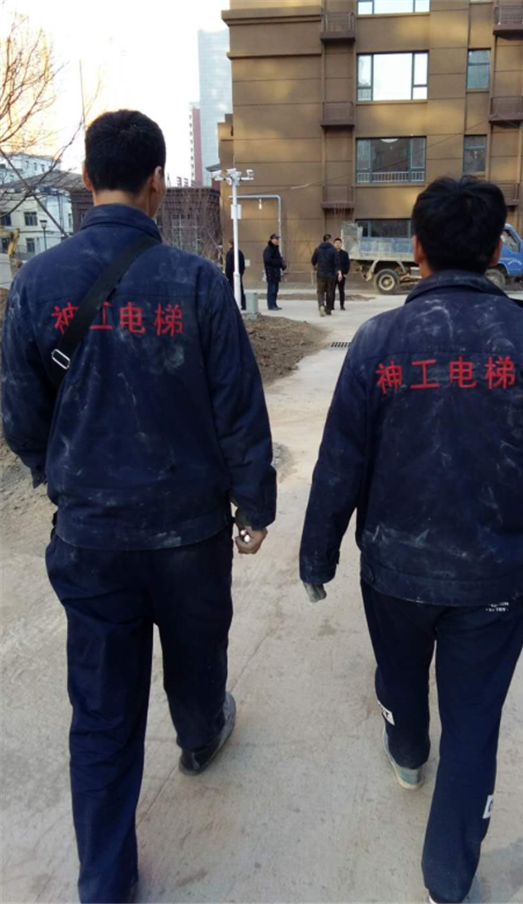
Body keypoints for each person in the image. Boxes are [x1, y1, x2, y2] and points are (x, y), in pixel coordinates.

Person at [1, 110, 277, 904]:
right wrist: (252, 505)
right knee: (198, 653)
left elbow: (20, 414)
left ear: (88, 180)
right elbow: (239, 409)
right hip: (190, 534)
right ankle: (199, 736)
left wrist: (59, 480)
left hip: (91, 538)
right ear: (158, 182)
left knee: (101, 709)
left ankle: (105, 881)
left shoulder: (36, 283)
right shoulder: (196, 283)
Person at [300, 177, 523, 904]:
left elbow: (340, 463)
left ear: (417, 249)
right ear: (495, 250)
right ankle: (448, 879)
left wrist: (318, 556)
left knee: (400, 677)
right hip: (495, 576)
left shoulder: (378, 342)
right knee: (474, 725)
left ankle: (407, 754)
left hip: (395, 570)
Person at [311, 233, 341, 317]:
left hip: (321, 274)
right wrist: (338, 271)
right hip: (331, 274)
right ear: (330, 240)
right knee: (330, 291)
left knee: (320, 291)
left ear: (323, 239)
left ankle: (321, 305)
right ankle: (328, 309)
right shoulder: (333, 250)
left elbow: (313, 261)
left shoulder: (317, 250)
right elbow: (337, 262)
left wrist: (316, 266)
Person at [263, 233, 286, 310]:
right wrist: (277, 262)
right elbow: (268, 260)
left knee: (275, 290)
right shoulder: (268, 249)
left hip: (276, 272)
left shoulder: (276, 249)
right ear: (271, 239)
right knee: (272, 289)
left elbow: (279, 258)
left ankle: (274, 304)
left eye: (277, 239)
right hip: (271, 272)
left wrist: (282, 265)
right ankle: (271, 305)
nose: (277, 240)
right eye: (276, 239)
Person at [225, 238, 246, 310]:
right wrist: (241, 273)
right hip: (238, 274)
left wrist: (227, 275)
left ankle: (232, 305)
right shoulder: (240, 253)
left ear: (230, 244)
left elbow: (228, 265)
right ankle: (243, 304)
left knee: (231, 290)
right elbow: (243, 265)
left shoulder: (229, 253)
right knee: (240, 289)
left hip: (231, 275)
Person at [333, 237, 350, 311]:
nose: (338, 244)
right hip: (333, 275)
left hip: (342, 275)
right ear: (334, 244)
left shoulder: (345, 254)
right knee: (332, 291)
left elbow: (347, 264)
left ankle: (342, 305)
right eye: (336, 243)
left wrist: (345, 273)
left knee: (341, 290)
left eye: (339, 243)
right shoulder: (331, 253)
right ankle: (331, 305)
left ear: (341, 244)